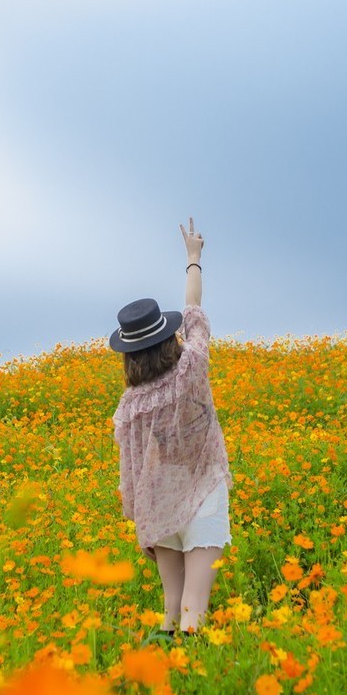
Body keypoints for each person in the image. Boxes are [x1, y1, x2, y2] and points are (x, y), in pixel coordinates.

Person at [110, 217, 232, 637]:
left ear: (128, 354)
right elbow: (194, 314)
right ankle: (192, 678)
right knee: (194, 606)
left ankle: (163, 676)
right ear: (168, 337)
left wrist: (140, 515)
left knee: (170, 609)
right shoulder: (191, 369)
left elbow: (129, 471)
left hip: (159, 502)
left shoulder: (129, 407)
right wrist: (193, 258)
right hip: (204, 491)